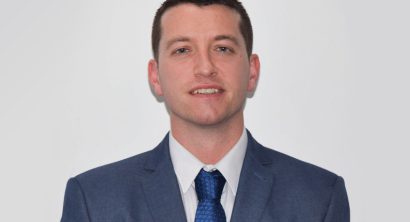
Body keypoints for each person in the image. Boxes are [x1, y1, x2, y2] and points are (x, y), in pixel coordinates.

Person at [61, 0, 350, 221]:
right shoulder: (94, 201)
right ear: (156, 77)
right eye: (183, 50)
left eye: (222, 48)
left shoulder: (319, 198)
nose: (205, 68)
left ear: (251, 71)